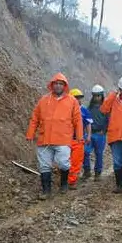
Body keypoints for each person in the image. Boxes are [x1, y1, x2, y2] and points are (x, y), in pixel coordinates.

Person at [26, 72, 83, 200]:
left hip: (63, 139)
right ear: (52, 85)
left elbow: (77, 120)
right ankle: (46, 191)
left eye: (60, 84)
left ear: (65, 86)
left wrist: (79, 136)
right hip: (44, 139)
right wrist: (30, 133)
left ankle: (64, 185)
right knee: (44, 165)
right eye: (56, 83)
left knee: (63, 163)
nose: (58, 86)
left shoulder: (72, 101)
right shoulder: (44, 100)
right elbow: (35, 118)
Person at [84, 84, 109, 181]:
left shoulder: (105, 107)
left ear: (102, 95)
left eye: (98, 95)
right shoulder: (89, 108)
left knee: (99, 154)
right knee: (85, 151)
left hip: (100, 134)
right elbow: (85, 119)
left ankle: (98, 173)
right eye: (94, 95)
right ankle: (87, 170)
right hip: (90, 133)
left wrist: (105, 130)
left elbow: (108, 120)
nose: (96, 97)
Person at [70, 88, 94, 185]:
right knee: (66, 159)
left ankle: (74, 179)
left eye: (79, 98)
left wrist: (88, 136)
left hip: (79, 138)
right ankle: (65, 178)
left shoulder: (84, 110)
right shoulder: (66, 109)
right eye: (76, 98)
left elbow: (88, 124)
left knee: (80, 158)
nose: (78, 100)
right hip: (66, 138)